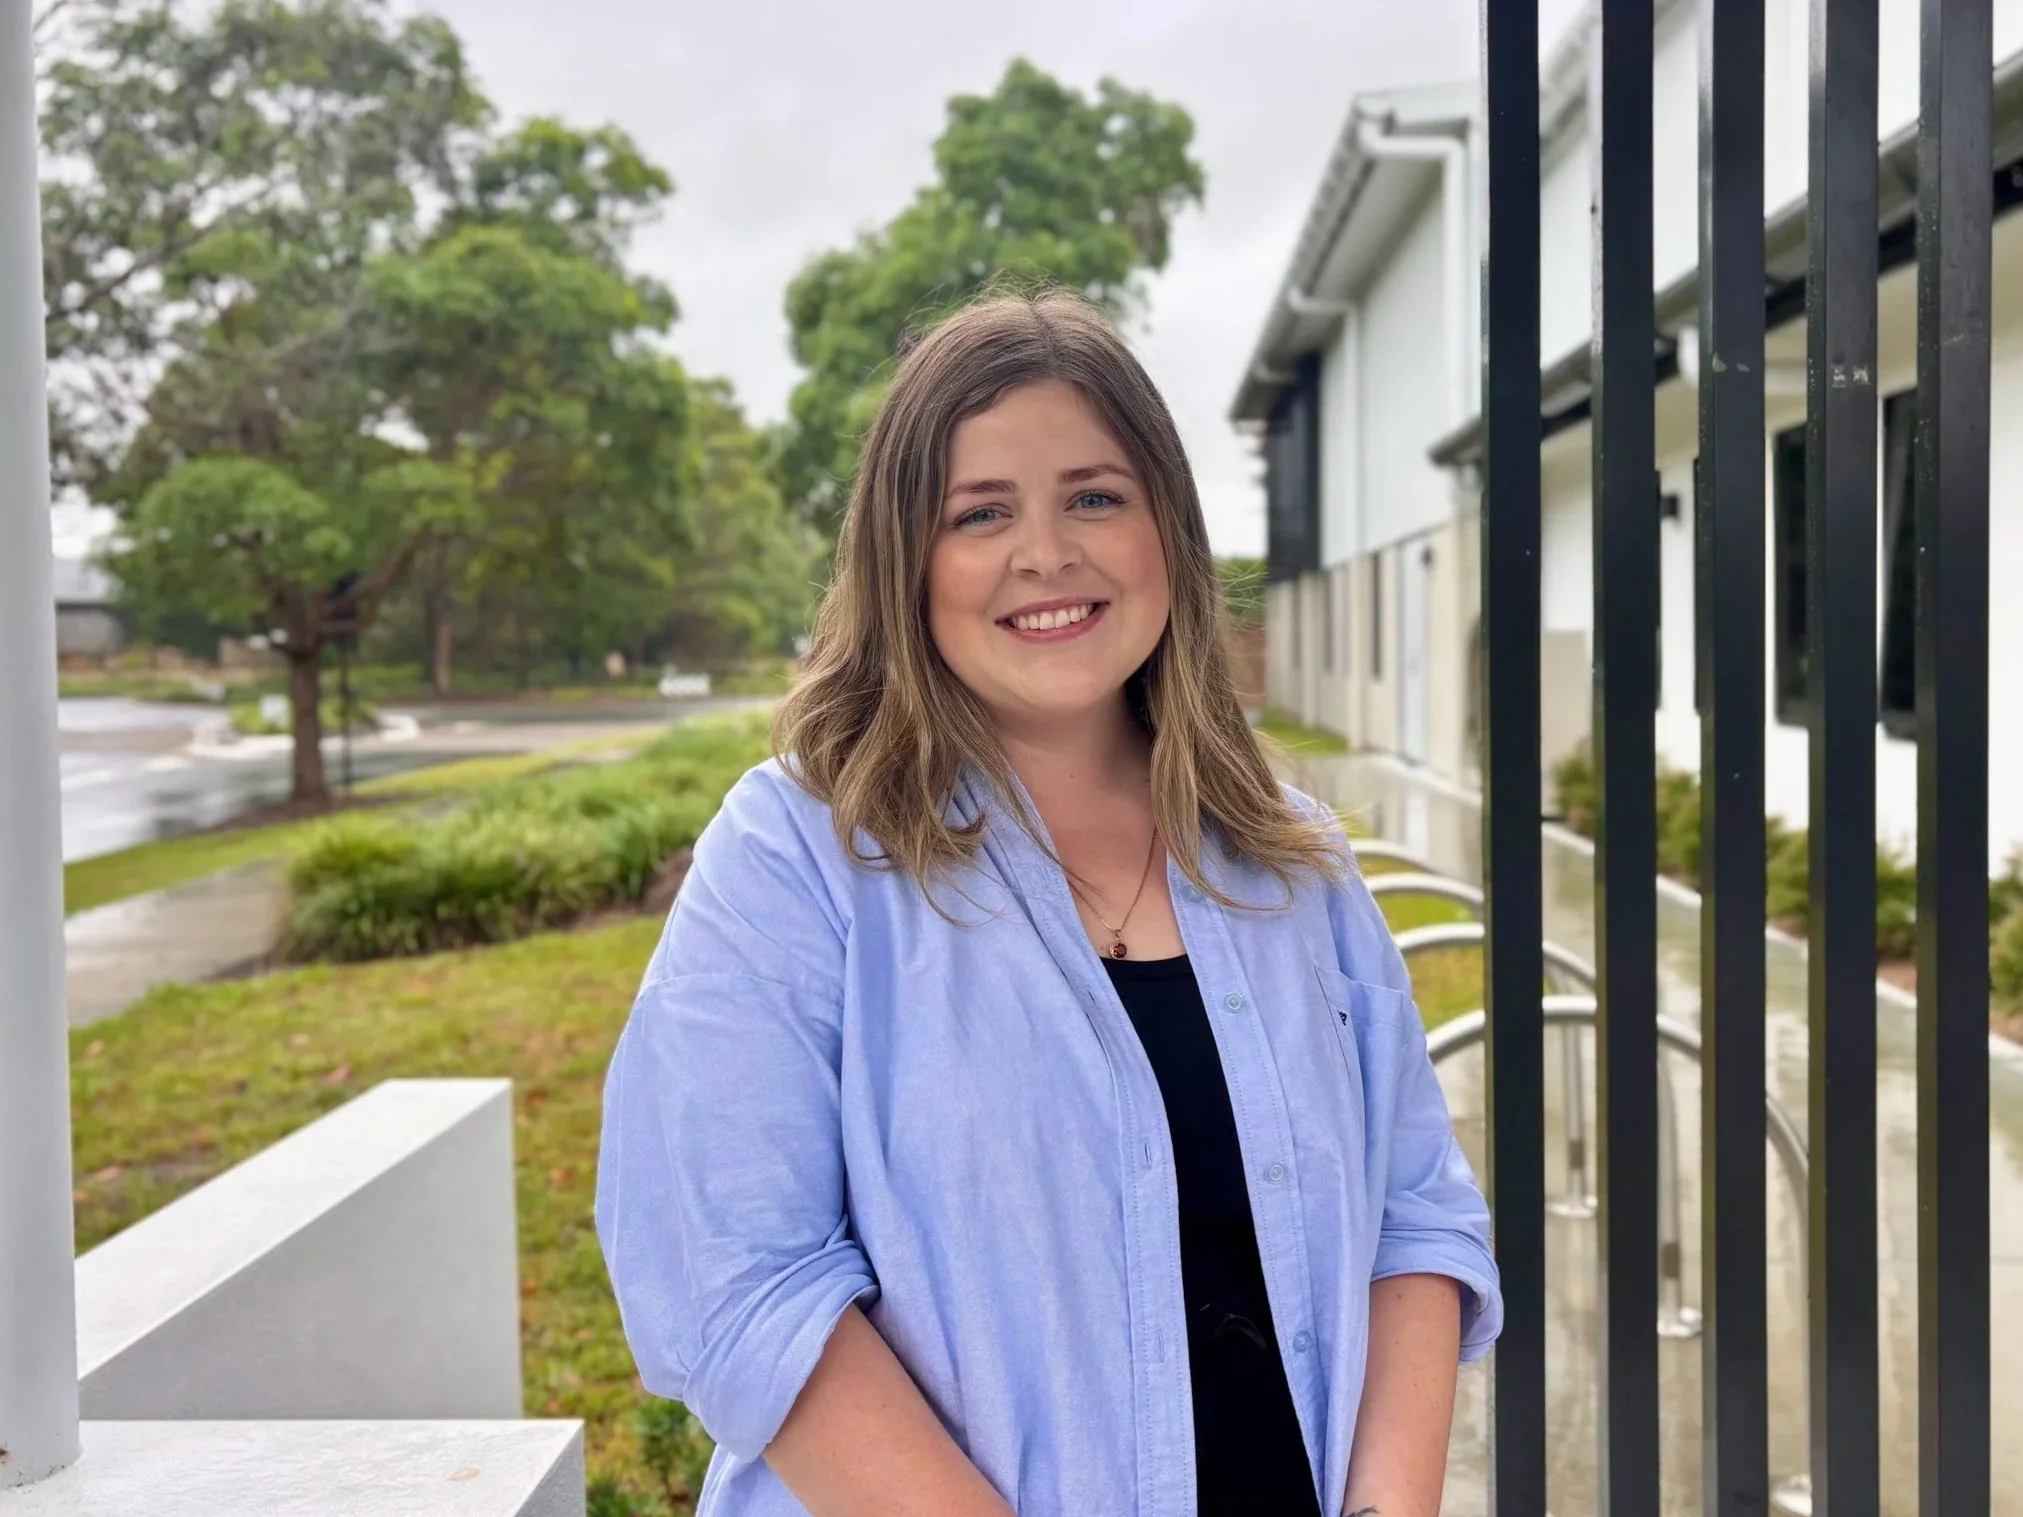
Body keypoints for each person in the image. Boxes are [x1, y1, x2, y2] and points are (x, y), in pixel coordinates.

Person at [595, 289, 1501, 1517]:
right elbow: (735, 1280)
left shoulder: (1294, 859)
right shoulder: (797, 854)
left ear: (1165, 530)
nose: (1046, 554)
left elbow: (1415, 1215)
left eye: (1093, 495)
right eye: (980, 512)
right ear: (904, 558)